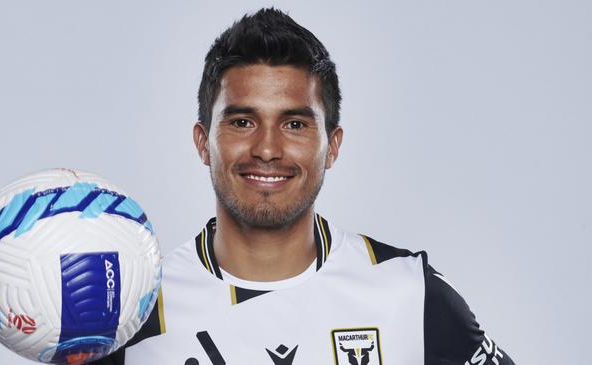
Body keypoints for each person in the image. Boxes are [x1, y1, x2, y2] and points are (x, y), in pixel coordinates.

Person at [93, 7, 515, 365]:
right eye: (242, 122)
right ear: (203, 142)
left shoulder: (408, 292)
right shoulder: (134, 313)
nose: (267, 148)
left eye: (295, 124)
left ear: (332, 147)